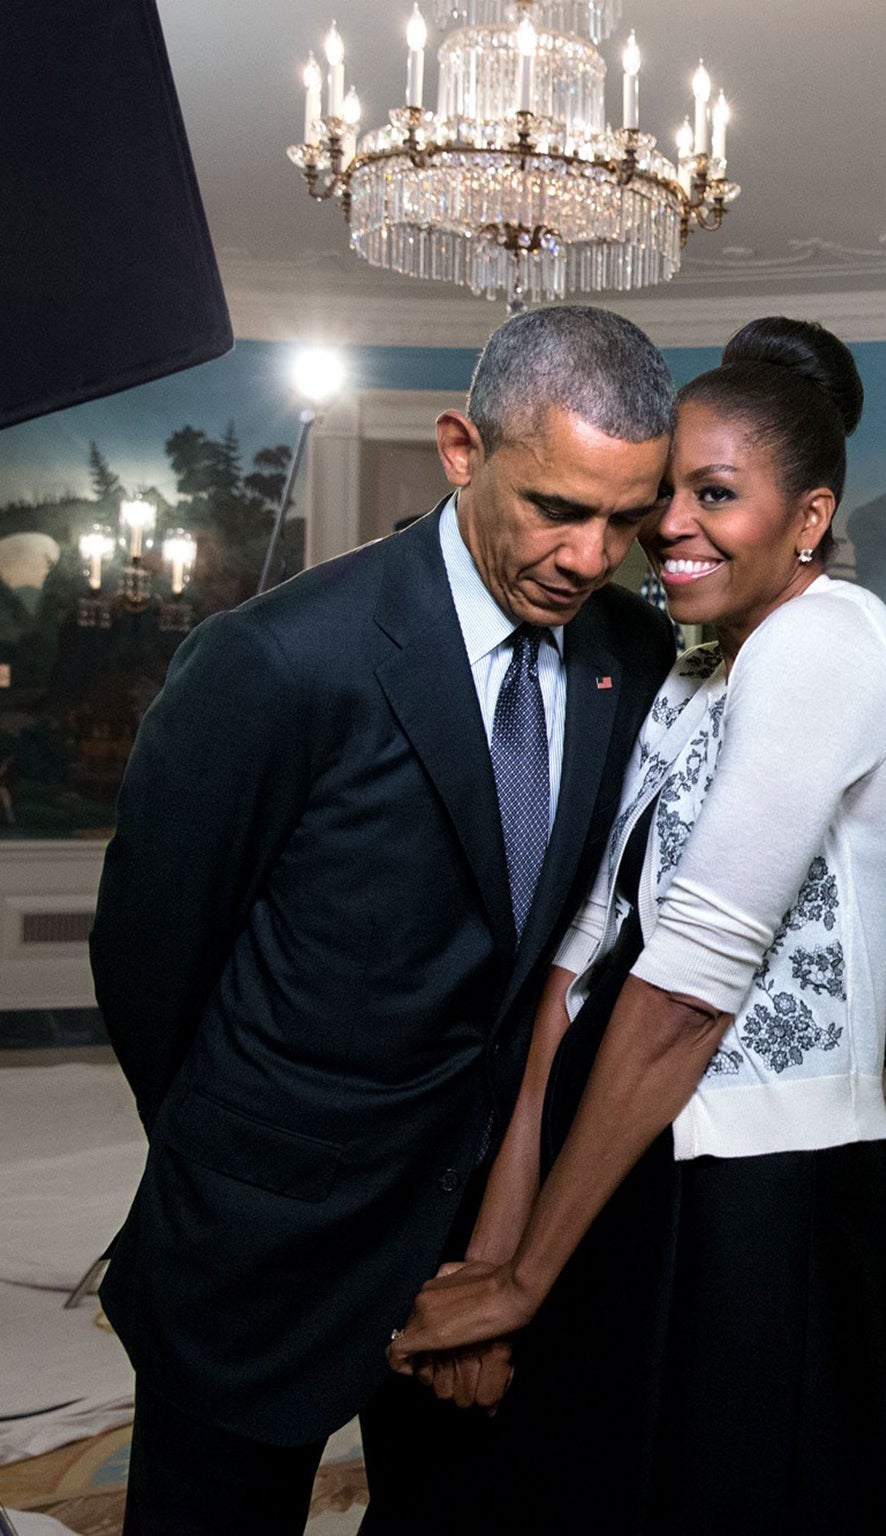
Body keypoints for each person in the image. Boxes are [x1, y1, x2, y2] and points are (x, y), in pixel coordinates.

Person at [90, 305, 680, 1536]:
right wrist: (246, 1154)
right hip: (260, 1241)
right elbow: (153, 960)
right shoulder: (280, 660)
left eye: (626, 520)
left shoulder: (630, 652)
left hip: (476, 1246)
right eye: (557, 509)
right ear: (462, 448)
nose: (590, 557)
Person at [388, 316, 886, 1533]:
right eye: (665, 492)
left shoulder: (830, 641)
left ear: (807, 517)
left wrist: (522, 1279)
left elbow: (689, 987)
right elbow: (571, 980)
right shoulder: (692, 671)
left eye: (717, 494)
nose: (669, 525)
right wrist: (502, 1253)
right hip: (618, 1155)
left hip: (757, 1193)